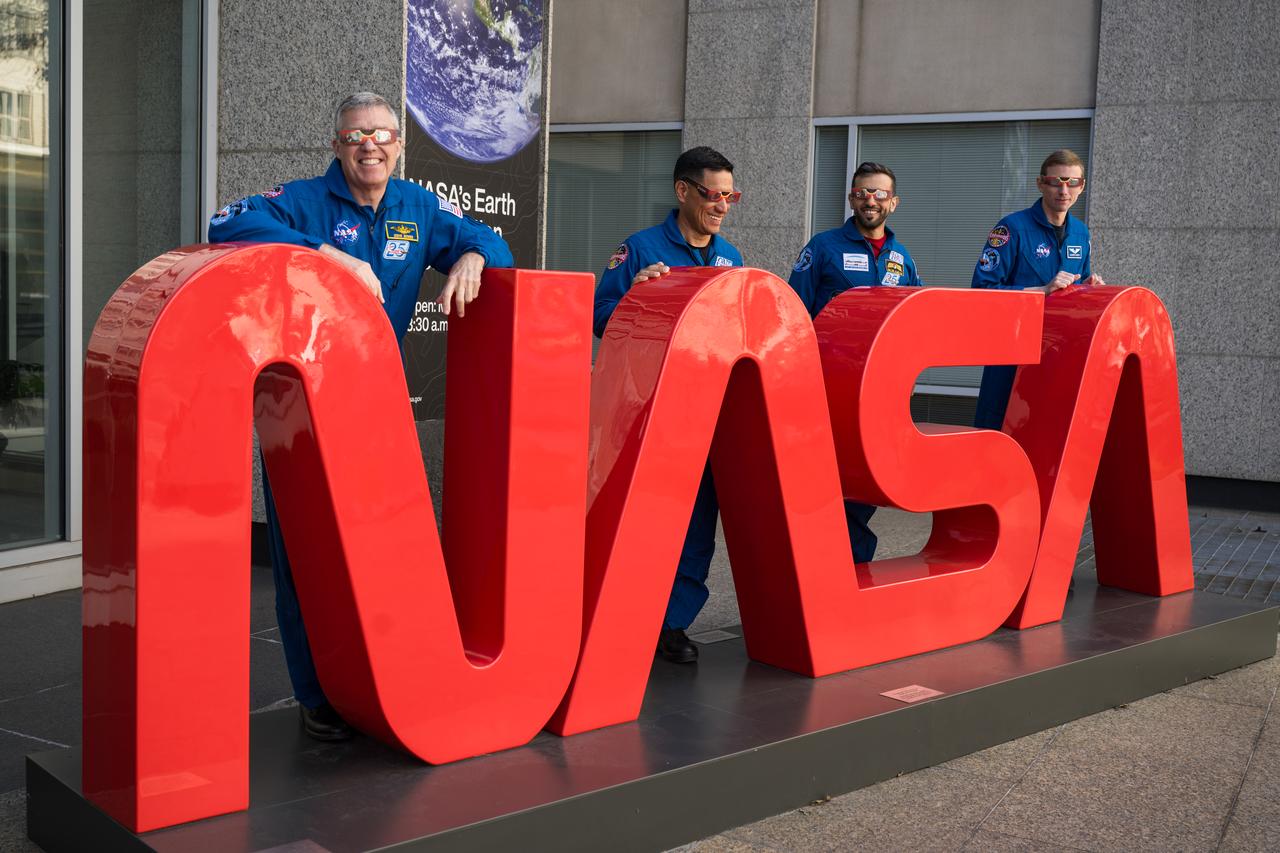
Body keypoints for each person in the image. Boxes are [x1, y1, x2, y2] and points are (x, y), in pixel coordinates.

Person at [208, 92, 513, 740]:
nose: (369, 145)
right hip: (301, 410)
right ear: (337, 145)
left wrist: (472, 255)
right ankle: (317, 694)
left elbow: (491, 240)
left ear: (399, 144)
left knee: (383, 550)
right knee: (304, 559)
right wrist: (326, 254)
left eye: (381, 134)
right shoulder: (301, 199)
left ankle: (384, 682)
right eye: (355, 136)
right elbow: (225, 224)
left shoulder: (418, 206)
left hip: (375, 406)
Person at [593, 146, 743, 664]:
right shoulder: (639, 249)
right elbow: (600, 316)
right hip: (647, 413)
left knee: (699, 523)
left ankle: (674, 623)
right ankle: (627, 617)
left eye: (730, 195)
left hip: (707, 412)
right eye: (712, 194)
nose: (722, 205)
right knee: (645, 519)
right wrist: (635, 297)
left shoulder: (732, 260)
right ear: (683, 191)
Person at [787, 161, 923, 564]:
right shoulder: (822, 248)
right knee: (832, 478)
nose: (871, 200)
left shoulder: (902, 257)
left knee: (867, 476)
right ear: (851, 198)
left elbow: (914, 322)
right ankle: (832, 563)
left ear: (893, 203)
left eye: (880, 193)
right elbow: (794, 312)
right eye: (863, 192)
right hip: (830, 390)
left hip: (884, 393)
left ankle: (852, 565)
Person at [970, 149, 1104, 430]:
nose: (1063, 190)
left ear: (1082, 187)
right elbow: (982, 291)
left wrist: (1089, 288)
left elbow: (1080, 283)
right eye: (1056, 181)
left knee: (1046, 435)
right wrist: (1041, 290)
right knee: (999, 432)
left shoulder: (1081, 232)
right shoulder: (1011, 228)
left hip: (1058, 355)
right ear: (1040, 183)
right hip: (1012, 352)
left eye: (1072, 182)